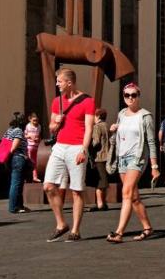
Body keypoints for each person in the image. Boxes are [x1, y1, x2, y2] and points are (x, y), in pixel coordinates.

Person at [43, 68, 95, 242]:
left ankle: (75, 231)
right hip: (59, 146)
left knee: (77, 190)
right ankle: (61, 224)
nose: (57, 84)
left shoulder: (88, 101)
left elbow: (89, 127)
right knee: (49, 186)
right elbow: (51, 126)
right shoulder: (57, 101)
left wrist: (84, 149)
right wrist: (55, 123)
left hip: (77, 147)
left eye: (59, 81)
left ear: (69, 82)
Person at [105, 82, 159, 242]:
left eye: (133, 95)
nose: (130, 98)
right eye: (127, 95)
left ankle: (119, 233)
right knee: (134, 197)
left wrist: (154, 166)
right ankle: (147, 228)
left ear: (138, 96)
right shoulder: (121, 114)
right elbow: (118, 138)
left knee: (126, 193)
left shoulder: (145, 116)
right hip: (122, 158)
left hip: (137, 159)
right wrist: (113, 131)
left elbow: (151, 142)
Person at [3, 114, 30, 214]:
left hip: (12, 159)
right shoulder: (18, 131)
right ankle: (13, 207)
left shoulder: (9, 131)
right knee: (16, 183)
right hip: (18, 158)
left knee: (17, 183)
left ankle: (20, 206)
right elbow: (14, 147)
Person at [88, 108, 111, 212]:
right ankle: (104, 202)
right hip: (108, 156)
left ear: (97, 116)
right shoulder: (107, 125)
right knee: (105, 181)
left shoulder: (97, 127)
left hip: (99, 156)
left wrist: (88, 146)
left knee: (99, 182)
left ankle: (100, 203)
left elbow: (96, 142)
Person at [24, 113, 42, 183]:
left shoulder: (39, 126)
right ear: (30, 119)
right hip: (30, 146)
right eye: (34, 120)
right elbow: (24, 135)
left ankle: (35, 177)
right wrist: (30, 136)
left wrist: (38, 139)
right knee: (29, 162)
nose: (35, 122)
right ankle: (28, 177)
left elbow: (39, 136)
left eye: (37, 120)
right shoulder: (28, 126)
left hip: (36, 146)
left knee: (35, 162)